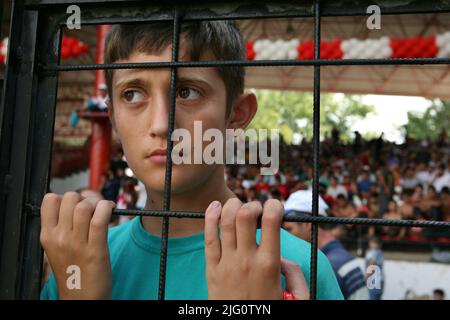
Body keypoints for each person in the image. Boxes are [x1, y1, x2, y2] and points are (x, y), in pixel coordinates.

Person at [39, 21, 343, 300]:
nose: (161, 124)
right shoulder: (79, 261)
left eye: (187, 91)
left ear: (236, 114)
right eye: (132, 94)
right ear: (113, 118)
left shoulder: (296, 267)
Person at [282, 190, 369, 300]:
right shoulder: (338, 256)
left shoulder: (324, 264)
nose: (285, 236)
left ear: (308, 224)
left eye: (288, 229)